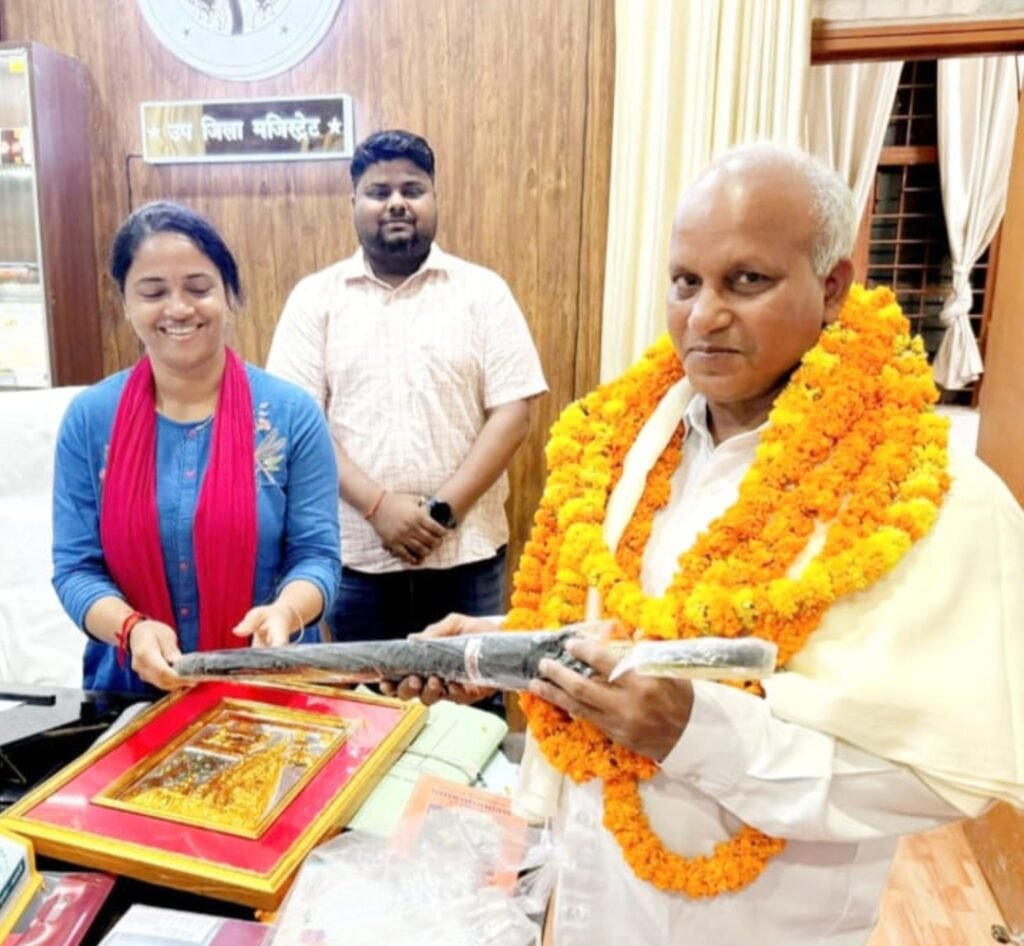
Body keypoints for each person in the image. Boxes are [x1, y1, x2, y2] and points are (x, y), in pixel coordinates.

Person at [390, 144, 1024, 945]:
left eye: (746, 280)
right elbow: (624, 627)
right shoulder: (623, 442)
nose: (704, 316)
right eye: (686, 282)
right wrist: (508, 648)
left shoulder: (935, 495)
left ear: (832, 286)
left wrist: (695, 733)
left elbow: (933, 774)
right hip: (593, 901)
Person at [266, 129, 548, 643]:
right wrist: (379, 507)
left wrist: (441, 511)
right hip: (356, 559)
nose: (396, 203)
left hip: (468, 554)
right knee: (365, 693)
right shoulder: (314, 300)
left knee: (473, 690)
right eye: (379, 192)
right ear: (354, 203)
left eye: (412, 190)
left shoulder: (483, 292)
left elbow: (513, 414)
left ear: (434, 197)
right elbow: (300, 426)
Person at [52, 201, 341, 694]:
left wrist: (286, 612)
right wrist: (130, 628)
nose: (179, 308)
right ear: (125, 302)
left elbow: (317, 556)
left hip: (270, 687)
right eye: (153, 292)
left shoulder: (291, 414)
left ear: (228, 293)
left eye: (199, 288)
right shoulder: (90, 419)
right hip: (130, 690)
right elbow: (76, 569)